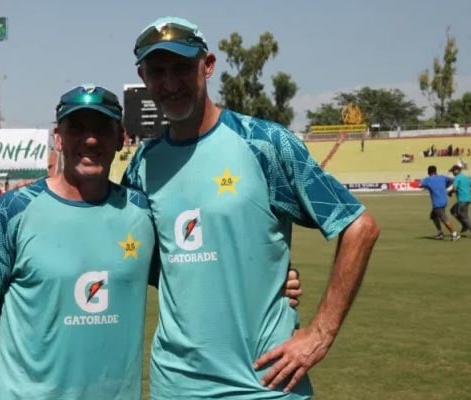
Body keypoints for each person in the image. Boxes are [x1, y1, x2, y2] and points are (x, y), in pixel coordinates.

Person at [0, 84, 304, 399]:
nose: (89, 140)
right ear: (58, 137)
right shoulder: (14, 211)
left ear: (120, 138)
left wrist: (268, 279)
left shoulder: (139, 211)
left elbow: (190, 272)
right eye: (76, 128)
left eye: (101, 129)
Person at [123, 16, 380, 399]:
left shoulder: (264, 143)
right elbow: (145, 259)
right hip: (176, 386)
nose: (170, 83)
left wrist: (321, 332)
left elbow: (359, 226)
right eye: (157, 71)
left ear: (207, 65)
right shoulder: (143, 165)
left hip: (265, 385)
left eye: (181, 67)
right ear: (143, 77)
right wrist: (253, 273)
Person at [420, 165, 460, 240]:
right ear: (436, 171)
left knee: (444, 220)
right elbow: (453, 181)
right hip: (443, 200)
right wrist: (448, 188)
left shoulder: (428, 180)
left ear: (428, 172)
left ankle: (454, 234)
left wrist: (423, 184)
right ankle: (440, 232)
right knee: (433, 216)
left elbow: (420, 185)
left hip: (437, 203)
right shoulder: (442, 177)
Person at [448, 164, 471, 238]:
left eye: (453, 171)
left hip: (462, 200)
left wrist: (450, 192)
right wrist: (469, 194)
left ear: (456, 171)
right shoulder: (466, 177)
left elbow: (455, 188)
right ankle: (464, 225)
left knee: (464, 217)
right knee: (453, 210)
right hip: (467, 199)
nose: (452, 173)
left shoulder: (457, 178)